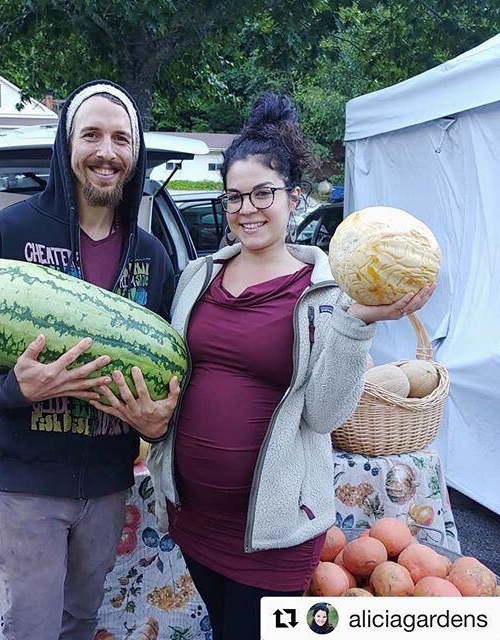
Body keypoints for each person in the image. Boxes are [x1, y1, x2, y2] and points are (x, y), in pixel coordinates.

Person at [145, 92, 435, 640]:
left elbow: (326, 414)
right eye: (233, 196)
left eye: (262, 193)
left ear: (293, 198)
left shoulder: (328, 294)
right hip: (195, 515)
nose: (246, 208)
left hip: (274, 530)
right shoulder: (196, 278)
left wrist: (357, 323)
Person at [0, 80, 180, 640]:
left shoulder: (151, 255)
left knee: (81, 622)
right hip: (29, 480)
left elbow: (174, 370)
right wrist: (14, 389)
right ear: (67, 144)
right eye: (92, 135)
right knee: (32, 627)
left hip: (107, 481)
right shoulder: (13, 231)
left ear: (135, 153)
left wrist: (160, 423)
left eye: (120, 139)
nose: (107, 151)